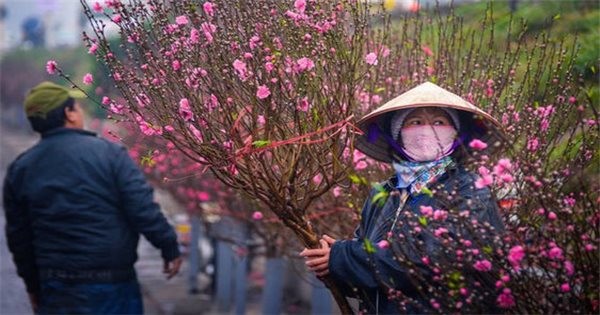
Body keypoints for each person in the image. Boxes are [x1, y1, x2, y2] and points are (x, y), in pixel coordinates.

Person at [301, 82, 506, 314]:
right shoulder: (384, 194)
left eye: (439, 122)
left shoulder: (469, 190)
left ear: (455, 133)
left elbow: (433, 261)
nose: (427, 129)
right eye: (415, 122)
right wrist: (332, 263)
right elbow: (370, 274)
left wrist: (343, 257)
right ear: (397, 134)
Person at [3, 81, 183, 314]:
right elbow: (142, 208)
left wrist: (33, 285)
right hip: (112, 283)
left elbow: (19, 236)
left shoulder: (21, 169)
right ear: (69, 113)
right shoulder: (109, 154)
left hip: (56, 286)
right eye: (77, 107)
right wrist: (169, 247)